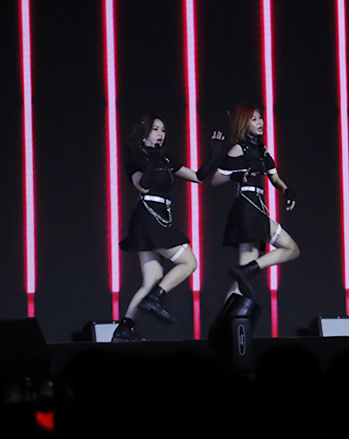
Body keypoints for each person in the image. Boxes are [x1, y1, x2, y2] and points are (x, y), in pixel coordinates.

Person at [113, 115, 225, 342]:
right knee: (189, 262)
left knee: (151, 279)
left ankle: (125, 328)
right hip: (148, 217)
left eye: (163, 130)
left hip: (159, 217)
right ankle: (156, 297)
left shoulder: (165, 159)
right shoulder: (136, 158)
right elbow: (143, 186)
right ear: (144, 135)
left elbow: (198, 177)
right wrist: (152, 159)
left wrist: (214, 154)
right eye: (155, 129)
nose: (160, 134)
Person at [212, 106, 300, 303]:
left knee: (243, 279)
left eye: (260, 118)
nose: (260, 122)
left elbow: (274, 177)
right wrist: (235, 176)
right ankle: (247, 272)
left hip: (257, 208)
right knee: (290, 248)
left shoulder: (262, 150)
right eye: (254, 119)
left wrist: (286, 190)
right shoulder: (239, 149)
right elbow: (216, 179)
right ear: (243, 124)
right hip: (247, 208)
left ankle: (226, 317)